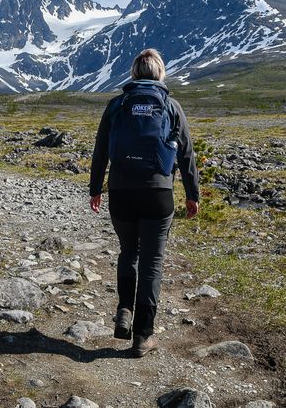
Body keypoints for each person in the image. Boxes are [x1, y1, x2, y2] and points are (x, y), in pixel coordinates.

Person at [89, 48, 200, 357]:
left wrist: (95, 188)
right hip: (158, 194)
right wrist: (193, 195)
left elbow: (100, 152)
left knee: (129, 251)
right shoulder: (172, 106)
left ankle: (124, 310)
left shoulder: (116, 105)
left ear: (134, 74)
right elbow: (187, 155)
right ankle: (143, 336)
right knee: (152, 262)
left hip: (121, 193)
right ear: (161, 74)